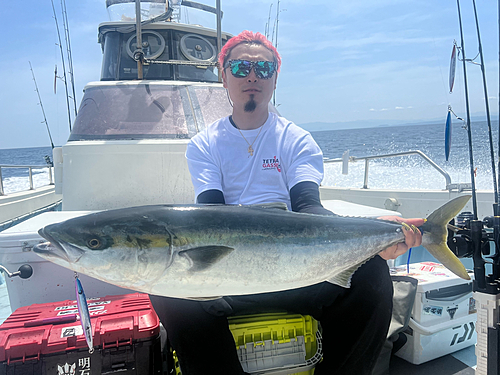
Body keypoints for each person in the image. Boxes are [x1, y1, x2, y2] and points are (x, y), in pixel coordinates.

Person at [150, 30, 424, 375]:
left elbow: (310, 209)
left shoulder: (296, 139)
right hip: (230, 280)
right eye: (240, 67)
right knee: (168, 289)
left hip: (298, 273)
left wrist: (373, 239)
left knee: (372, 276)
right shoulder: (205, 144)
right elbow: (213, 217)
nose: (252, 76)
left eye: (264, 69)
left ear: (275, 78)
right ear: (224, 76)